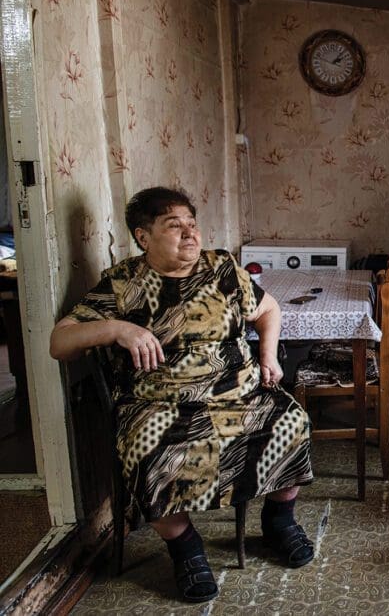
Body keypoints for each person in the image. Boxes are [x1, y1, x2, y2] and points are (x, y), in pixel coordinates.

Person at [50, 187, 315, 603]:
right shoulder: (124, 284)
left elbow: (268, 310)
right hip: (159, 402)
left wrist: (268, 358)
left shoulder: (223, 268)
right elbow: (60, 342)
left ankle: (279, 521)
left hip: (237, 390)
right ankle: (186, 548)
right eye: (174, 226)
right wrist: (119, 328)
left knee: (292, 420)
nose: (190, 234)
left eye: (192, 224)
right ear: (143, 236)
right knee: (148, 451)